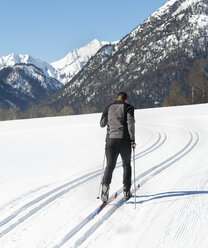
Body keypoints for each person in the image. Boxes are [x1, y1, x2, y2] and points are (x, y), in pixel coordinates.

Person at [100, 92, 136, 203]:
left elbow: (102, 124)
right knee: (126, 165)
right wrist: (132, 140)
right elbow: (130, 124)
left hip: (110, 141)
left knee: (110, 166)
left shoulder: (109, 107)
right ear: (126, 100)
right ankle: (126, 190)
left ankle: (105, 187)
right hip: (124, 141)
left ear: (116, 99)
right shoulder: (128, 107)